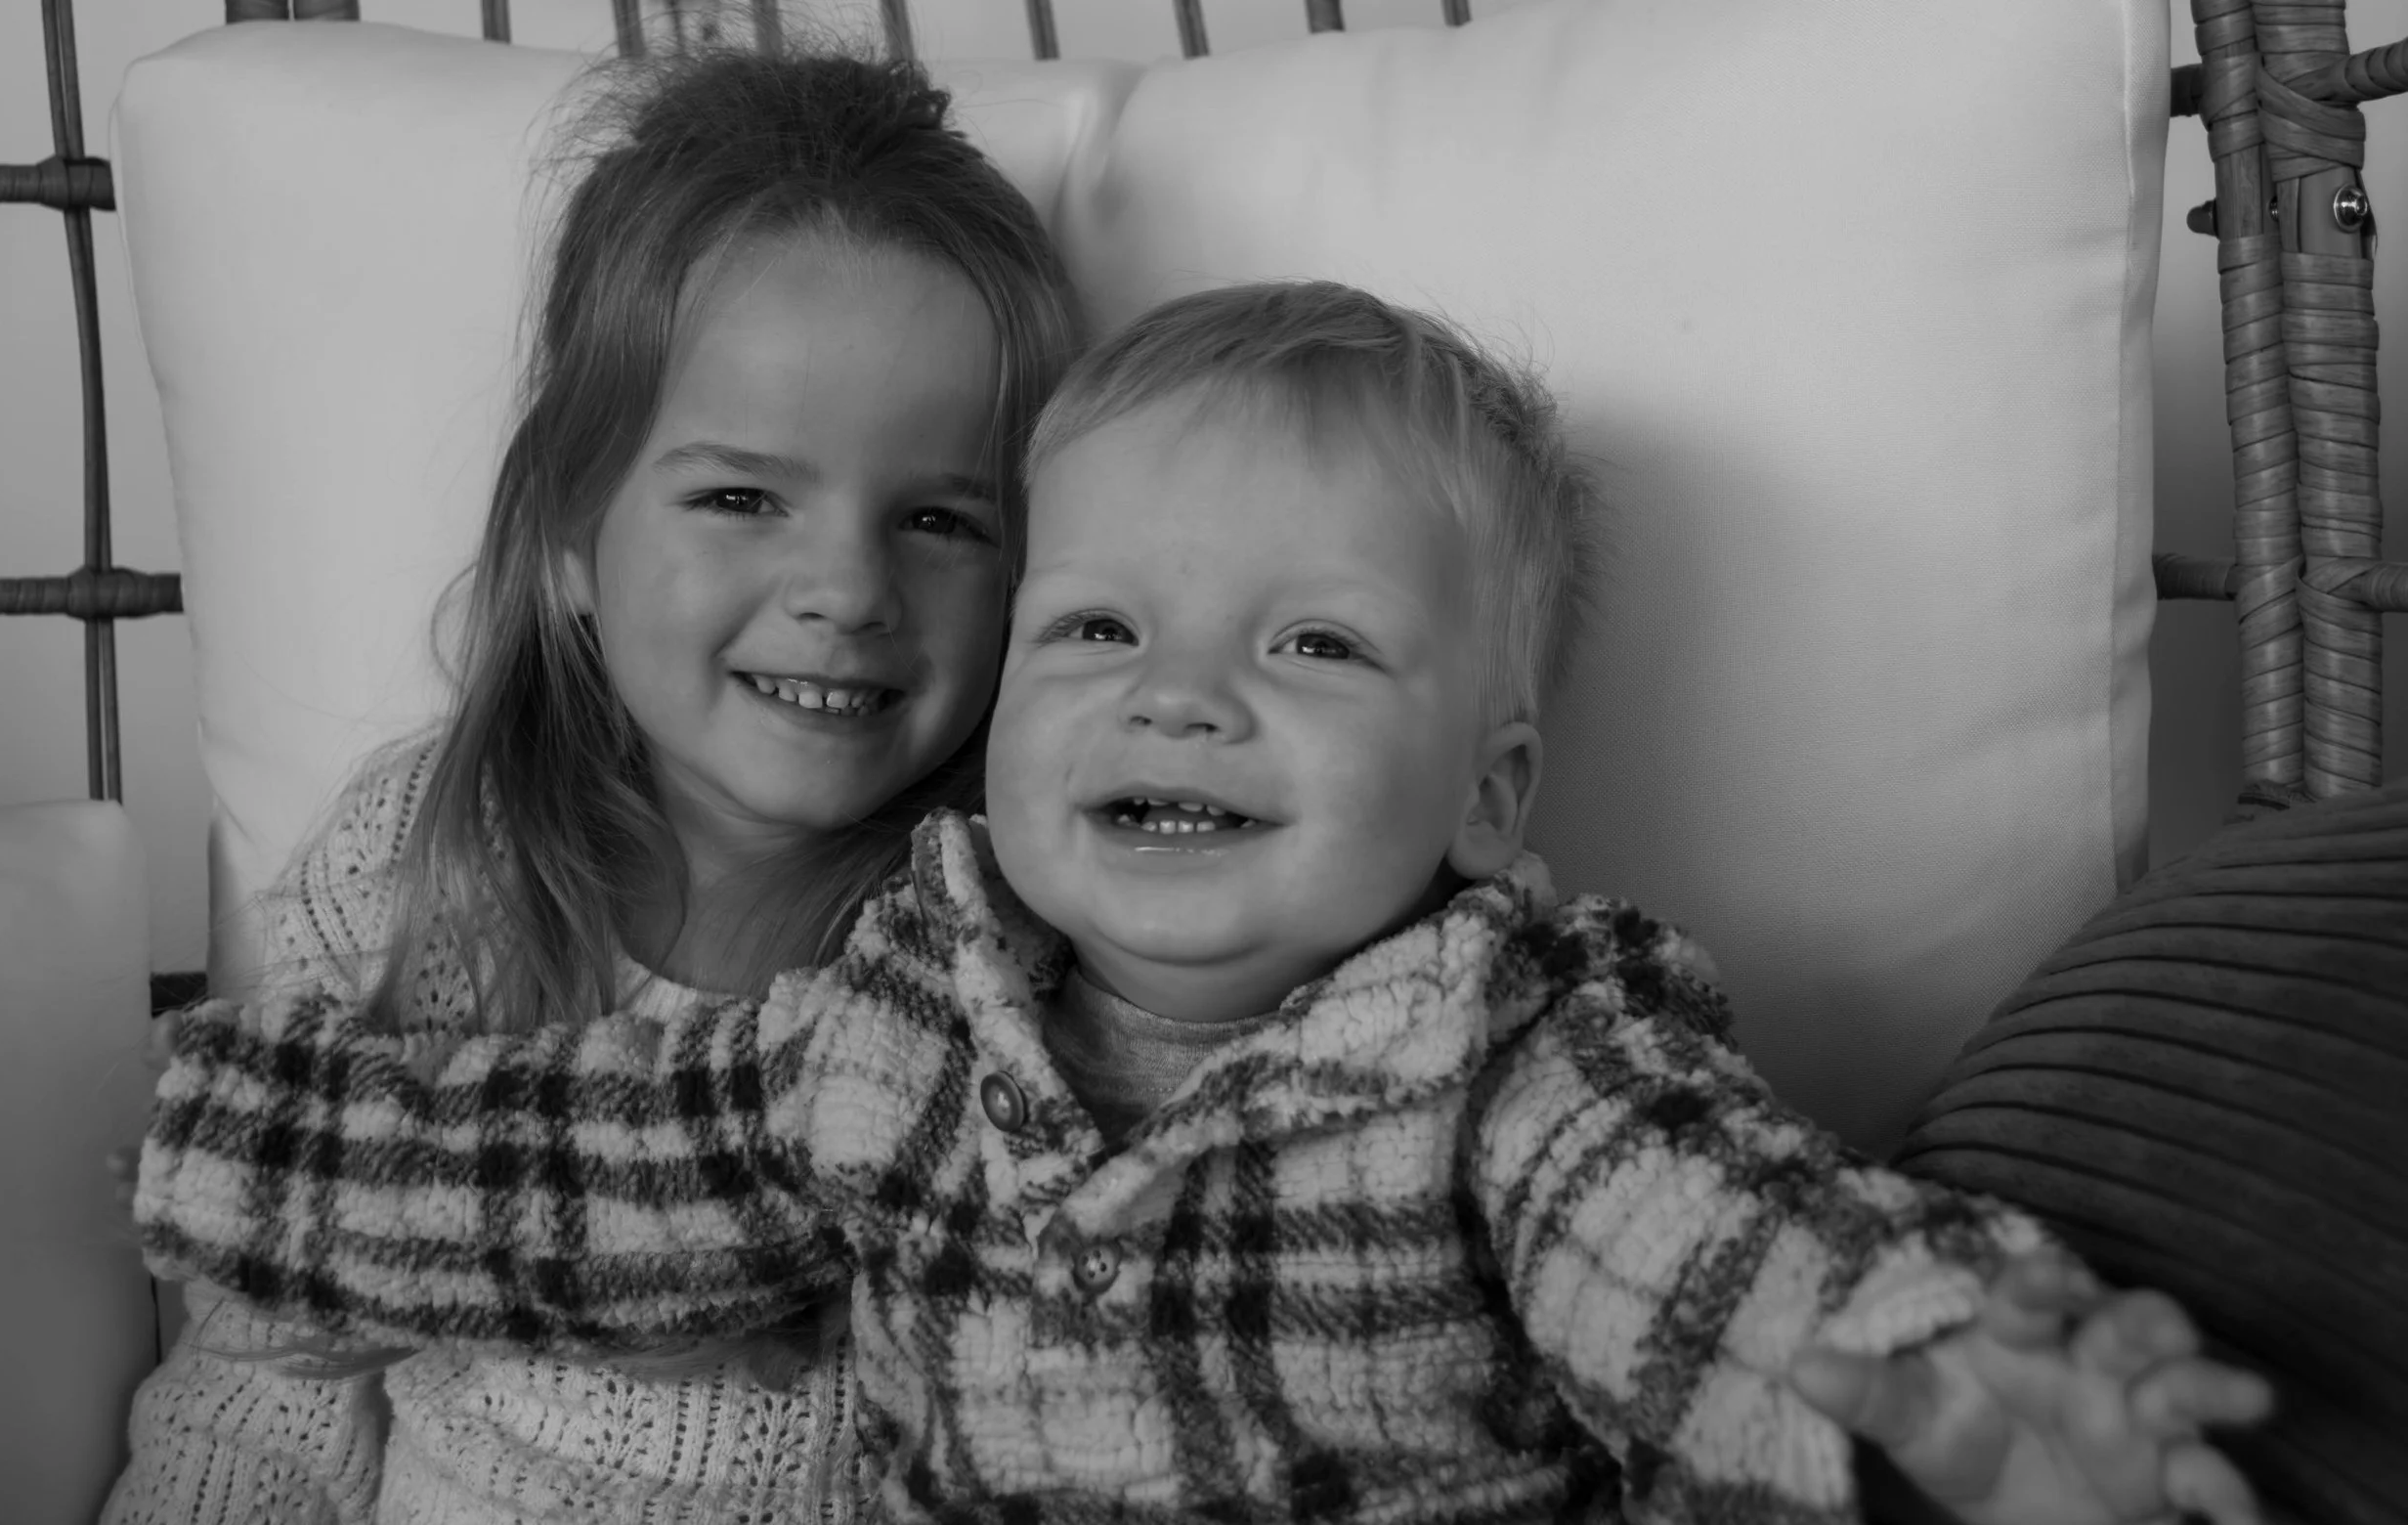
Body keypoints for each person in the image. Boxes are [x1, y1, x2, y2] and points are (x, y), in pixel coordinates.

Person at [131, 283, 2269, 1525]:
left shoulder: (1505, 1040)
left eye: (1313, 649)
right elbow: (587, 1168)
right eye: (1094, 635)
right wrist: (244, 1149)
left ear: (1486, 793)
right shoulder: (903, 1014)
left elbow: (1702, 1236)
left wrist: (1931, 1371)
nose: (1180, 697)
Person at [102, 38, 1077, 1525]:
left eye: (942, 518)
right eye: (742, 496)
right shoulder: (420, 859)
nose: (846, 587)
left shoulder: (1007, 944)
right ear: (571, 531)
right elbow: (264, 1396)